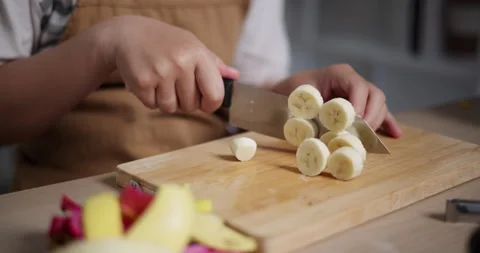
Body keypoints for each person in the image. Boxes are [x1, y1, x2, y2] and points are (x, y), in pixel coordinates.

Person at [0, 0, 402, 192]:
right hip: (70, 195)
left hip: (209, 192)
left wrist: (300, 91)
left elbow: (245, 89)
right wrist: (105, 45)